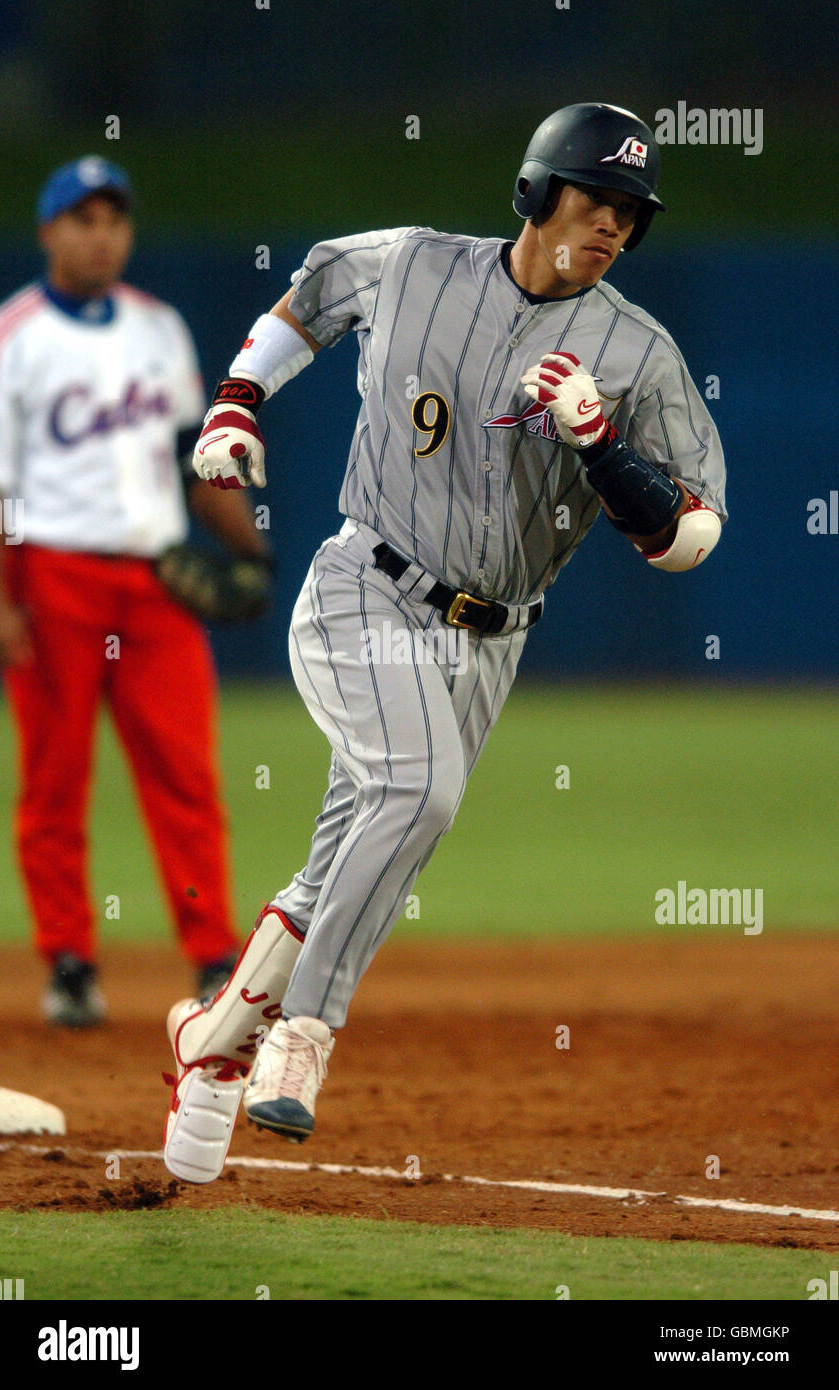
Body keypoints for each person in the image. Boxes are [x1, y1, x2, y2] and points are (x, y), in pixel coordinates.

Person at [161, 103, 727, 1185]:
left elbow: (688, 536)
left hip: (489, 642)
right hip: (362, 587)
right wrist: (234, 402)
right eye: (593, 198)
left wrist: (603, 448)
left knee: (340, 862)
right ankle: (301, 1038)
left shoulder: (636, 353)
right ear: (533, 192)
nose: (611, 225)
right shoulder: (415, 264)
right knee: (415, 794)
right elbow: (311, 296)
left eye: (628, 213)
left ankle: (209, 1047)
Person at [0, 156, 272, 1026]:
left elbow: (200, 465)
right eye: (84, 219)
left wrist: (254, 550)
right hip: (53, 579)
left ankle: (212, 959)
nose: (102, 234)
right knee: (55, 778)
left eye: (115, 218)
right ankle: (70, 962)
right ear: (49, 233)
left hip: (157, 585)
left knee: (185, 774)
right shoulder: (12, 334)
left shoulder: (160, 328)